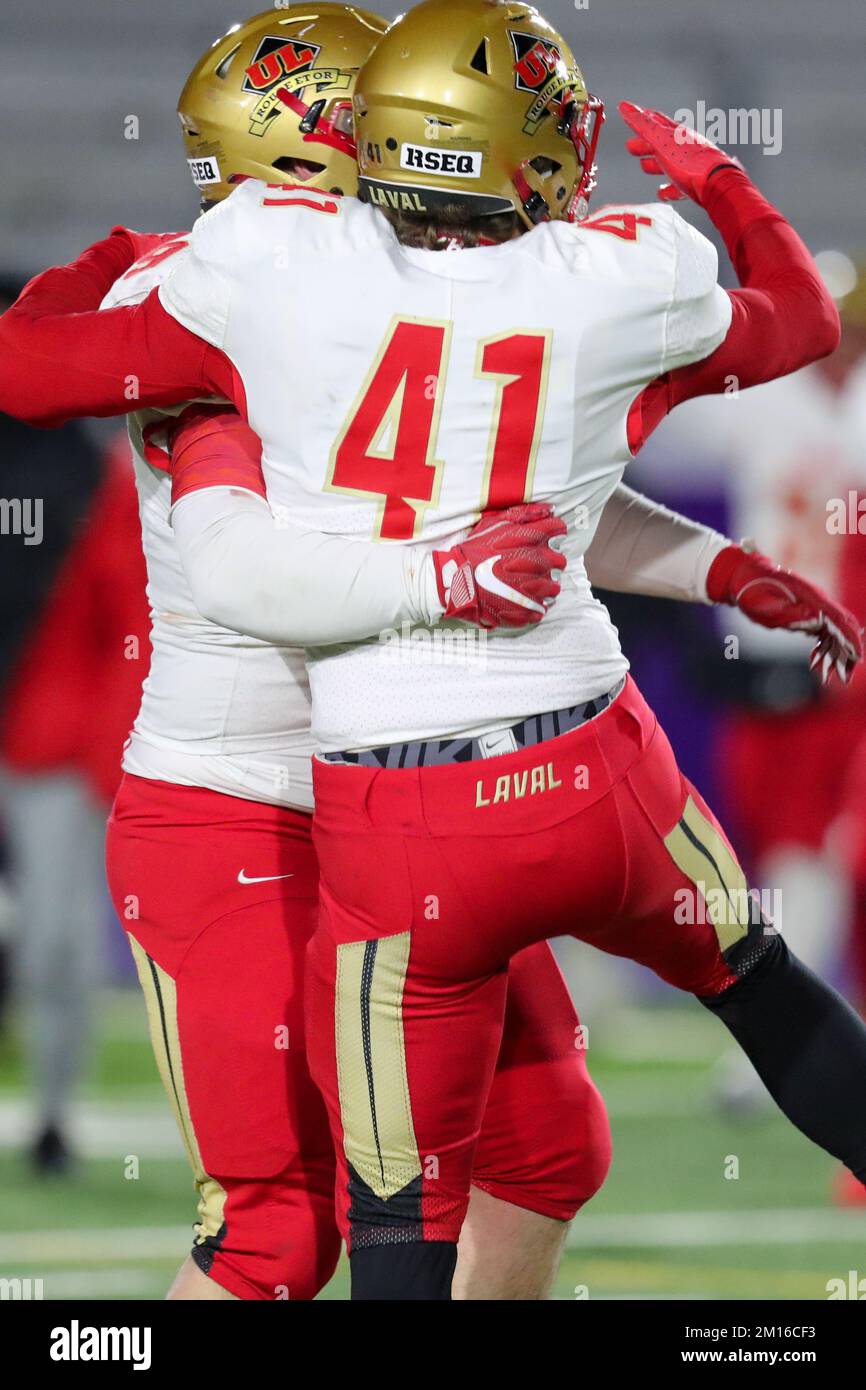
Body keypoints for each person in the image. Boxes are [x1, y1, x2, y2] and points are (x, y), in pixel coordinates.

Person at [1, 0, 863, 1303]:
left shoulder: (313, 279)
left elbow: (530, 505)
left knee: (543, 1151)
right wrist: (443, 578)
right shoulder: (247, 285)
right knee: (278, 1232)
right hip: (243, 806)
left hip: (384, 795)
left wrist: (705, 565)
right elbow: (256, 564)